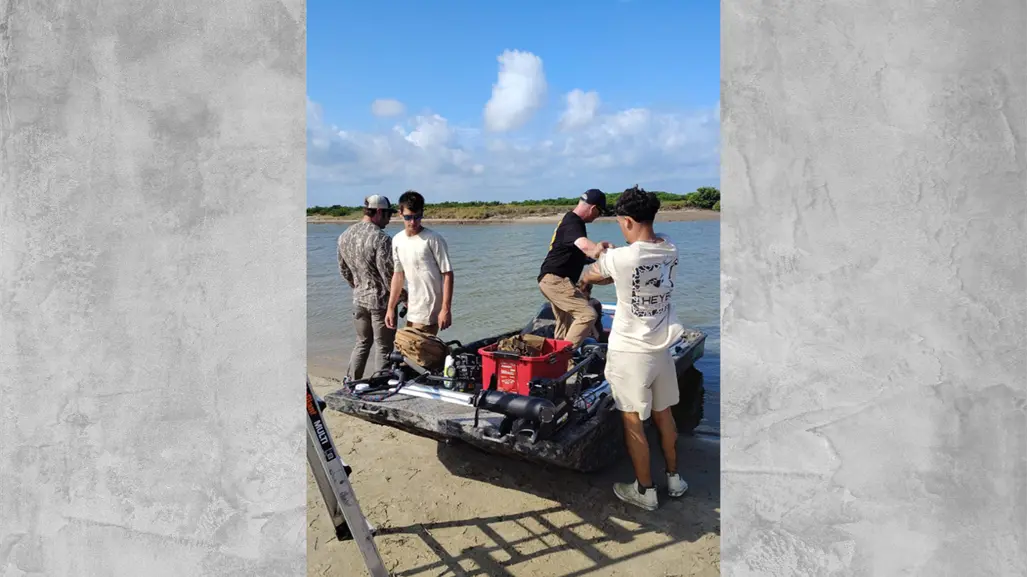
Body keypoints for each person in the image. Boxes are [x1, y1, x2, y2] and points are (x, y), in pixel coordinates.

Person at [578, 186, 689, 511]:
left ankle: (645, 490)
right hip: (662, 349)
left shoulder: (620, 258)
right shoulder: (670, 247)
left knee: (632, 420)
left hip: (629, 353)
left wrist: (589, 275)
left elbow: (593, 273)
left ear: (626, 220)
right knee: (663, 414)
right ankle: (674, 478)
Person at [536, 188, 615, 350]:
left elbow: (576, 254)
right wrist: (605, 253)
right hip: (556, 280)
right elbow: (585, 246)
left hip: (551, 280)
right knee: (587, 315)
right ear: (593, 208)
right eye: (599, 213)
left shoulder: (569, 221)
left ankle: (557, 361)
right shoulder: (573, 222)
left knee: (564, 325)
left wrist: (595, 258)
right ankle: (561, 359)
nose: (597, 217)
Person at [337, 195, 402, 379]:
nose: (389, 219)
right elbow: (389, 275)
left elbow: (344, 270)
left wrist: (357, 287)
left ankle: (350, 383)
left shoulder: (345, 236)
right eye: (388, 214)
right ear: (379, 212)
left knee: (362, 342)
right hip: (380, 303)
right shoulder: (380, 238)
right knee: (384, 348)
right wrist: (404, 298)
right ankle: (381, 385)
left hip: (358, 299)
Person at [385, 190, 454, 335]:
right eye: (408, 217)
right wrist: (391, 308)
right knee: (411, 351)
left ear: (422, 213)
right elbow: (398, 276)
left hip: (430, 309)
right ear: (400, 214)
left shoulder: (433, 239)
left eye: (417, 217)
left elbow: (447, 274)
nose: (413, 222)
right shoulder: (397, 240)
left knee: (420, 353)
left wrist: (445, 309)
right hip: (412, 308)